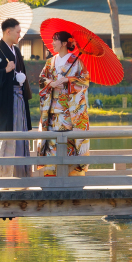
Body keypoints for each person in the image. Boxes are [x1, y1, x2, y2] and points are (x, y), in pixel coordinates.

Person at [0, 17, 32, 179]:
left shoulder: (16, 51)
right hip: (4, 103)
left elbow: (20, 73)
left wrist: (20, 78)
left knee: (19, 134)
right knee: (4, 136)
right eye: (17, 32)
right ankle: (0, 175)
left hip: (18, 100)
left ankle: (19, 174)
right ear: (8, 31)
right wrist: (5, 71)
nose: (19, 35)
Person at [36, 30, 90, 176]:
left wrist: (68, 80)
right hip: (53, 114)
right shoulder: (50, 62)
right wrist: (51, 83)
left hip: (70, 115)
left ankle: (72, 179)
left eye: (55, 40)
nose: (52, 43)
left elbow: (85, 81)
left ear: (65, 43)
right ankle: (51, 178)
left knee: (70, 145)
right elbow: (41, 80)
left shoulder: (77, 62)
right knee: (51, 144)